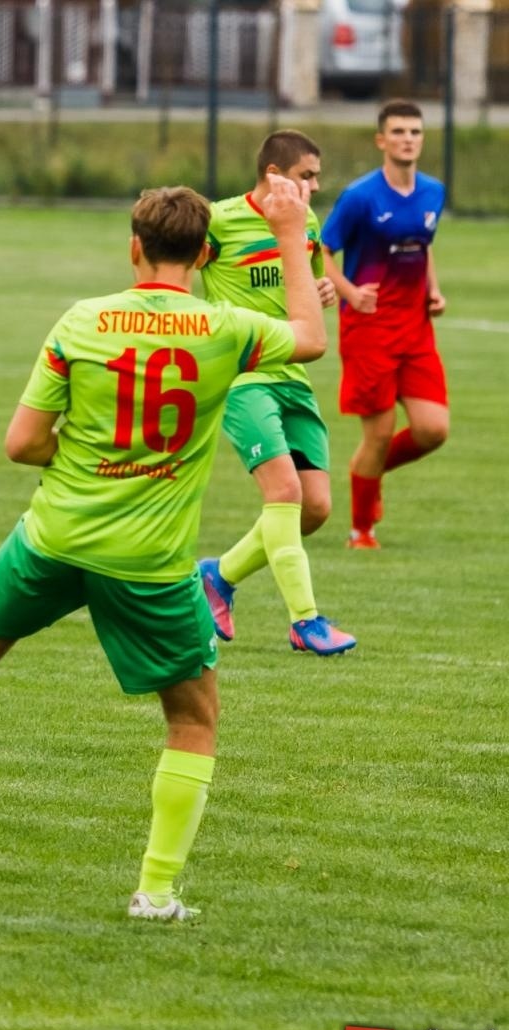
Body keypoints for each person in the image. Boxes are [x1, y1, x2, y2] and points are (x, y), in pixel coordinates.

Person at [0, 180, 327, 922]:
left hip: (54, 533)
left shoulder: (82, 320)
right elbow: (310, 336)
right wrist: (291, 232)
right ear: (204, 253)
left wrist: (77, 458)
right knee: (192, 718)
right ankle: (157, 892)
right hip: (147, 558)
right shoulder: (225, 328)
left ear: (133, 247)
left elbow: (22, 443)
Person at [196, 131, 356, 656]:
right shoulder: (219, 222)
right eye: (307, 175)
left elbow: (302, 295)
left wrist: (323, 291)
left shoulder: (304, 225)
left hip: (293, 375)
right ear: (274, 176)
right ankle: (305, 621)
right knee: (284, 493)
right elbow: (176, 270)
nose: (316, 185)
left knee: (314, 507)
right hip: (244, 378)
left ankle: (218, 576)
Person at [321, 101, 448, 549]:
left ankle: (367, 474)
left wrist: (434, 290)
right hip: (369, 328)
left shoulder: (434, 191)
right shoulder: (360, 196)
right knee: (378, 431)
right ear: (381, 140)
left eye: (415, 131)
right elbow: (323, 249)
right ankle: (362, 532)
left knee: (434, 428)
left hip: (415, 328)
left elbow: (424, 246)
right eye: (398, 131)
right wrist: (349, 292)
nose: (408, 138)